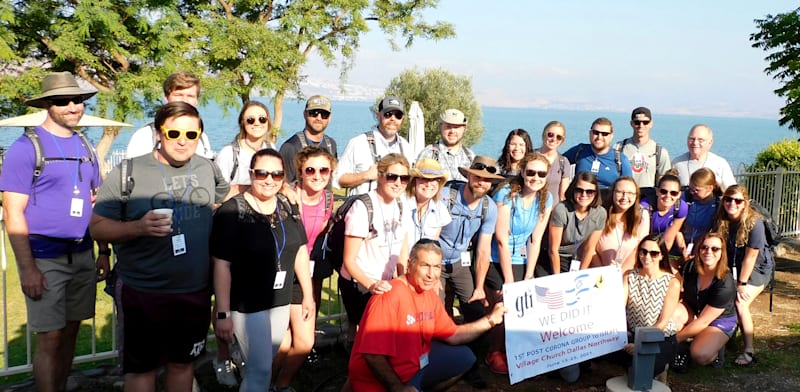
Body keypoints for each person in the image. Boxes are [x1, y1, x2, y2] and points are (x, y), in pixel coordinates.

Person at [91, 102, 229, 391]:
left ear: (200, 136)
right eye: (174, 132)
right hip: (144, 290)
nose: (182, 140)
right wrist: (138, 227)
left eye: (192, 135)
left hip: (195, 290)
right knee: (142, 371)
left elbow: (223, 196)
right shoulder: (128, 171)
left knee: (183, 365)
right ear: (158, 133)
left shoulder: (206, 167)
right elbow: (97, 226)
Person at [0, 71, 109, 392]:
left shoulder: (86, 144)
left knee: (71, 333)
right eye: (63, 100)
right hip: (44, 257)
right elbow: (13, 212)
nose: (73, 106)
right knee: (50, 338)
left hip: (82, 253)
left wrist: (103, 251)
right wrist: (28, 269)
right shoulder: (25, 148)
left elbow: (94, 204)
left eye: (78, 99)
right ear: (48, 104)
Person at [210, 148, 313, 392]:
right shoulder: (232, 211)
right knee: (261, 369)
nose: (269, 180)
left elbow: (299, 250)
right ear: (251, 174)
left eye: (277, 175)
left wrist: (307, 295)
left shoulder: (287, 207)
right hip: (246, 304)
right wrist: (223, 313)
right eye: (262, 173)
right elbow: (221, 264)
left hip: (280, 300)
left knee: (263, 362)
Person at [347, 239, 508, 392]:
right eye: (425, 266)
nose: (431, 274)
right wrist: (397, 388)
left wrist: (490, 320)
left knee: (465, 358)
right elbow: (373, 355)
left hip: (414, 368)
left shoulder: (429, 295)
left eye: (436, 267)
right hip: (379, 382)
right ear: (410, 265)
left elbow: (453, 335)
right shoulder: (389, 296)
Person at [434, 156, 503, 387]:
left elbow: (483, 250)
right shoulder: (446, 196)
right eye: (477, 177)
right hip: (437, 261)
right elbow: (430, 235)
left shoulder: (489, 207)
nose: (481, 182)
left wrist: (479, 287)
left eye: (486, 180)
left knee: (475, 311)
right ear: (468, 175)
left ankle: (469, 365)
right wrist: (433, 275)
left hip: (461, 263)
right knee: (437, 314)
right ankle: (437, 364)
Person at [272, 146, 337, 392]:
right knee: (282, 341)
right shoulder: (285, 197)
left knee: (304, 341)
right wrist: (282, 186)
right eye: (310, 169)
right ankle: (263, 382)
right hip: (278, 273)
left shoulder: (328, 200)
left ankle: (281, 384)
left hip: (303, 274)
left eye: (324, 170)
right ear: (299, 171)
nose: (317, 175)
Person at [484, 152, 554, 374]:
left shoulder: (547, 199)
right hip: (496, 257)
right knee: (502, 303)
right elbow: (501, 239)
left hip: (522, 257)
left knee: (526, 304)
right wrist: (510, 281)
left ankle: (515, 349)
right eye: (530, 172)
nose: (535, 177)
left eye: (540, 173)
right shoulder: (506, 194)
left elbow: (535, 238)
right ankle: (493, 351)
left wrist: (529, 274)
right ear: (522, 172)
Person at [338, 153, 412, 340]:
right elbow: (349, 260)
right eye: (392, 176)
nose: (398, 182)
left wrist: (403, 281)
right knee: (367, 336)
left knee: (382, 335)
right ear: (380, 175)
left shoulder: (402, 204)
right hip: (361, 283)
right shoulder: (363, 207)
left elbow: (402, 250)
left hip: (386, 283)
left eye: (404, 178)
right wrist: (371, 285)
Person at [715, 184, 774, 367]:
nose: (732, 203)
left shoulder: (754, 223)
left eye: (737, 200)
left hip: (757, 268)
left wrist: (741, 283)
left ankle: (749, 350)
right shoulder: (721, 219)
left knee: (740, 301)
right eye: (728, 199)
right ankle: (725, 338)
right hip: (733, 265)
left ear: (745, 203)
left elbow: (751, 257)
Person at [672, 232, 736, 373]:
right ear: (699, 249)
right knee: (673, 314)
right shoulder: (690, 267)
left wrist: (672, 340)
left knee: (700, 355)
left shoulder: (725, 282)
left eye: (715, 249)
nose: (708, 252)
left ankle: (717, 349)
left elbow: (704, 321)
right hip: (695, 309)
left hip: (718, 320)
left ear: (722, 253)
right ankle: (681, 349)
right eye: (704, 247)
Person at [621, 235, 681, 377]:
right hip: (633, 334)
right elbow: (620, 306)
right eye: (643, 251)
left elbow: (663, 322)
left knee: (641, 369)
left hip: (661, 337)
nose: (647, 256)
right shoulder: (629, 276)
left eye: (653, 253)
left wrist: (641, 344)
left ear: (661, 256)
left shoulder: (672, 283)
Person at [334, 96, 415, 196]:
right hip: (363, 209)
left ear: (402, 119)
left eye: (398, 115)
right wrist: (365, 175)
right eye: (388, 114)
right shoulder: (358, 143)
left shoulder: (406, 148)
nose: (393, 119)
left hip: (396, 210)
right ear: (378, 115)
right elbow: (338, 180)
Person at [125, 71, 214, 159]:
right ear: (166, 97)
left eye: (190, 96)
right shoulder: (145, 136)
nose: (184, 100)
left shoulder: (202, 138)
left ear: (196, 100)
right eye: (178, 95)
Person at [545, 172, 606, 275]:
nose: (584, 195)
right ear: (573, 190)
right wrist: (557, 277)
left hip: (577, 257)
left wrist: (580, 275)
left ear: (596, 193)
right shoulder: (561, 210)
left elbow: (590, 248)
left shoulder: (600, 213)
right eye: (579, 190)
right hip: (555, 256)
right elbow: (553, 250)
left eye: (589, 191)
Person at [216, 101, 276, 200]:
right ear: (243, 123)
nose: (257, 123)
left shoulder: (271, 149)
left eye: (262, 119)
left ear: (268, 122)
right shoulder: (229, 153)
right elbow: (218, 193)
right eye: (250, 120)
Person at [592, 176, 649, 272]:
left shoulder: (642, 216)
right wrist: (605, 271)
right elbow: (590, 248)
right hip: (600, 273)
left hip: (628, 274)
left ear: (636, 196)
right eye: (619, 192)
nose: (624, 197)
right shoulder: (600, 214)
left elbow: (639, 250)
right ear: (612, 193)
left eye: (630, 193)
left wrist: (621, 273)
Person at [279, 95, 338, 184]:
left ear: (329, 117)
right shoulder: (290, 147)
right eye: (314, 113)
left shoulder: (331, 145)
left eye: (324, 114)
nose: (318, 118)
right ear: (305, 114)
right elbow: (283, 185)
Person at [563, 117, 633, 190]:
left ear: (611, 136)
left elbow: (628, 187)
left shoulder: (621, 160)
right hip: (582, 198)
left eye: (604, 134)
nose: (599, 137)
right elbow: (558, 163)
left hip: (607, 200)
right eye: (596, 133)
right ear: (590, 133)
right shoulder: (579, 151)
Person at [615, 107, 672, 189]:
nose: (641, 126)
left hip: (648, 199)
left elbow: (664, 182)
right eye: (637, 122)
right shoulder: (618, 148)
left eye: (645, 122)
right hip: (625, 196)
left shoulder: (660, 152)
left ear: (651, 124)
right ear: (631, 123)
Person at [640, 173, 688, 269]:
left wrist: (662, 262)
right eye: (663, 191)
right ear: (657, 191)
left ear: (679, 195)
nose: (668, 196)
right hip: (645, 242)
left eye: (673, 193)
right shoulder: (645, 206)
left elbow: (669, 238)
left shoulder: (681, 207)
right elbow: (642, 236)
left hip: (665, 247)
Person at [416, 108, 475, 182]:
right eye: (448, 127)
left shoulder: (470, 156)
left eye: (456, 127)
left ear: (464, 129)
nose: (452, 131)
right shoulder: (429, 153)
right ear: (440, 126)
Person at [671, 124, 737, 190]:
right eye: (692, 139)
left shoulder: (720, 164)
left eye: (700, 140)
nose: (695, 143)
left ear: (710, 142)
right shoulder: (677, 163)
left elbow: (732, 191)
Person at [402, 158, 452, 242]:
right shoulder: (400, 203)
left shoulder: (441, 210)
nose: (428, 184)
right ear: (414, 181)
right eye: (424, 179)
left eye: (434, 179)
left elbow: (432, 244)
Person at [679, 168, 721, 259]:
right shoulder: (686, 198)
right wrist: (684, 251)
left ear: (710, 188)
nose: (692, 193)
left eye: (696, 190)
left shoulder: (718, 205)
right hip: (682, 246)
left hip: (705, 250)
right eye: (691, 189)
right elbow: (676, 228)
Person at [536, 121, 570, 201]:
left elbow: (563, 196)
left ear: (562, 140)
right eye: (550, 135)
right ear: (544, 134)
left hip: (553, 211)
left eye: (559, 137)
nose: (554, 139)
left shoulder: (563, 162)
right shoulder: (531, 157)